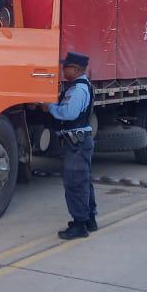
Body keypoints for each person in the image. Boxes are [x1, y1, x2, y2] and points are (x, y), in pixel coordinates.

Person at [47, 51, 97, 239]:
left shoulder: (78, 90)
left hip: (76, 143)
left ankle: (79, 226)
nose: (62, 69)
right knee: (84, 182)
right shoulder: (80, 86)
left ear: (75, 69)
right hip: (79, 142)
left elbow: (68, 113)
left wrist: (49, 107)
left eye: (65, 66)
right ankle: (89, 219)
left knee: (75, 183)